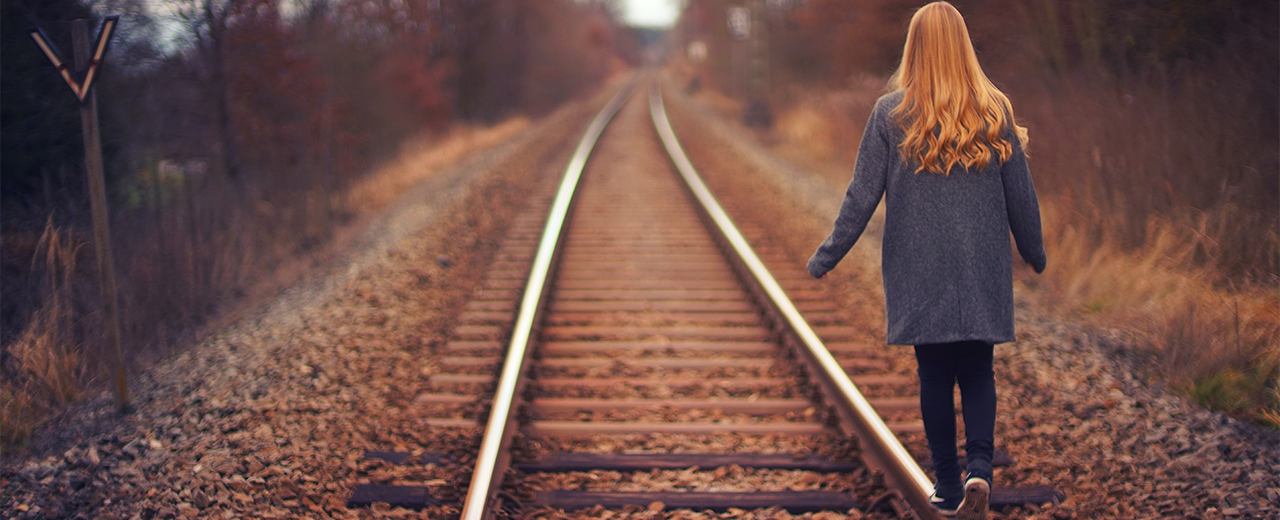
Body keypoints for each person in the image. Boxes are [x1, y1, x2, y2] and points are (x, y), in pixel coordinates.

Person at [806, 2, 1046, 519]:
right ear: (964, 47)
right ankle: (980, 466)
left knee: (934, 374)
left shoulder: (890, 114)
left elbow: (860, 196)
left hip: (920, 269)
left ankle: (947, 485)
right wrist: (1034, 252)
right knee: (979, 369)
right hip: (980, 267)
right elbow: (1020, 196)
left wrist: (827, 256)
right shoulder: (994, 109)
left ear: (913, 48)